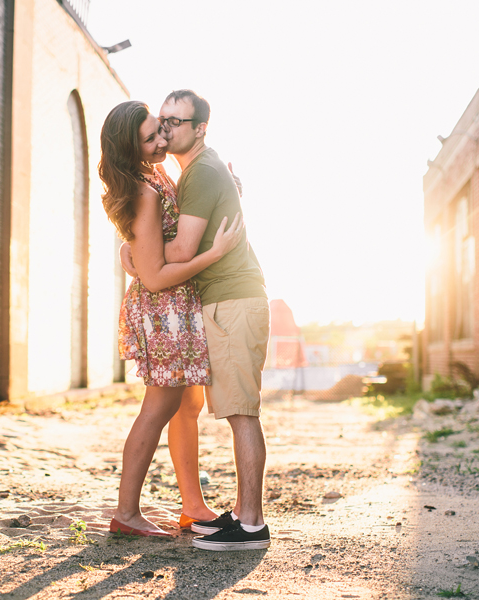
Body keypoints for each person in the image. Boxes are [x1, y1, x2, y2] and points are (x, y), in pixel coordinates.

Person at [98, 100, 244, 537]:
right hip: (163, 310)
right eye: (151, 137)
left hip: (178, 307)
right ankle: (126, 513)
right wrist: (214, 253)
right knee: (158, 406)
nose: (162, 140)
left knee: (188, 404)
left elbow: (177, 220)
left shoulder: (155, 174)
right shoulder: (142, 191)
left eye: (160, 130)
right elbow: (156, 275)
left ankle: (192, 505)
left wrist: (228, 186)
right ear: (130, 148)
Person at [154, 89, 271, 551]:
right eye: (162, 120)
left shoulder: (200, 172)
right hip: (227, 302)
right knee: (235, 410)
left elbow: (182, 251)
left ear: (200, 128)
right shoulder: (202, 168)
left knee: (242, 413)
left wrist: (136, 254)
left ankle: (251, 525)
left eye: (176, 122)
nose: (166, 129)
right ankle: (243, 514)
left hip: (232, 303)